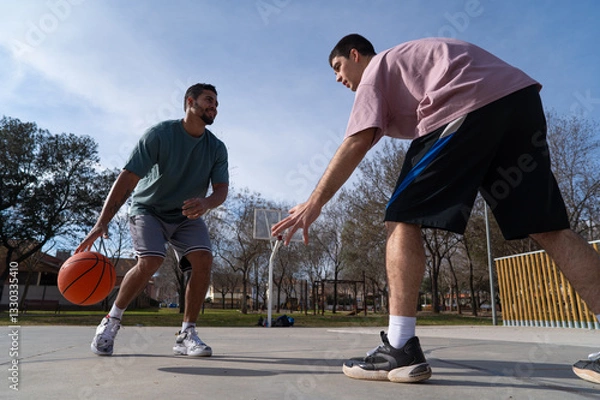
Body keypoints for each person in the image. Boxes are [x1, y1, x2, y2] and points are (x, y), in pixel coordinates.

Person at [271, 34, 600, 384]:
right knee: (549, 227)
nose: (339, 78)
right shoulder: (407, 65)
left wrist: (313, 202)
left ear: (355, 55)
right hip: (520, 103)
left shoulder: (375, 71)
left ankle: (399, 349)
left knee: (400, 216)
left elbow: (357, 140)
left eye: (338, 67)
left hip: (467, 102)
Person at [76, 83, 229, 357]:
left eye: (216, 103)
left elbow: (221, 190)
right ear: (189, 102)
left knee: (203, 260)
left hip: (185, 214)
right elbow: (128, 177)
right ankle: (111, 321)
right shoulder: (160, 135)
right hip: (148, 208)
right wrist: (102, 221)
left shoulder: (216, 148)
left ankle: (186, 334)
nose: (214, 106)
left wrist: (205, 203)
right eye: (208, 100)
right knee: (151, 260)